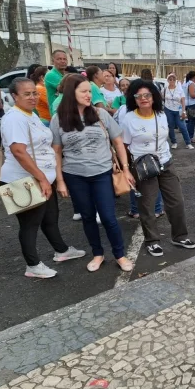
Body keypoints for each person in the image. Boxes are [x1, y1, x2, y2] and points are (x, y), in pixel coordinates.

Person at [0, 77, 85, 278]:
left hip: (42, 178)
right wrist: (42, 179)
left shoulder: (31, 115)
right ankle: (33, 265)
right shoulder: (14, 118)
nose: (33, 97)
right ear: (14, 96)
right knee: (30, 224)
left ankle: (62, 251)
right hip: (25, 181)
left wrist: (49, 177)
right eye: (26, 94)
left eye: (35, 93)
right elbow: (19, 151)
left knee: (50, 218)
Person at [51, 74, 134, 273]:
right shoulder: (59, 119)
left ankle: (120, 255)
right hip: (74, 175)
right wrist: (60, 181)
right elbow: (56, 151)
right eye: (84, 91)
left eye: (90, 91)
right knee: (88, 217)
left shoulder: (100, 114)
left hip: (102, 174)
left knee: (108, 217)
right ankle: (98, 254)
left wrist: (126, 168)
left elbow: (118, 142)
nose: (89, 95)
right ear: (72, 93)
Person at [121, 79, 195, 256]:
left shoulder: (161, 114)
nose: (143, 99)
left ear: (154, 97)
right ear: (134, 99)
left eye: (147, 95)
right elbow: (123, 146)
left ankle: (180, 236)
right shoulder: (128, 119)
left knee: (176, 201)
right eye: (138, 96)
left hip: (166, 163)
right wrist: (126, 169)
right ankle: (152, 241)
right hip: (143, 167)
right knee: (147, 205)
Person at [162, 73, 193, 149]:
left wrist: (183, 111)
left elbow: (183, 100)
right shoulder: (165, 89)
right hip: (168, 109)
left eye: (173, 79)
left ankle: (188, 143)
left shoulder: (179, 89)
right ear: (168, 80)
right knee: (170, 126)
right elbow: (161, 98)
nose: (172, 81)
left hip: (178, 110)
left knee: (182, 126)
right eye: (170, 79)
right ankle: (174, 142)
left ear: (175, 80)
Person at [45, 50, 69, 115]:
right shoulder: (51, 75)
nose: (63, 61)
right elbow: (68, 89)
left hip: (67, 109)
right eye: (59, 59)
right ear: (53, 61)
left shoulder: (64, 74)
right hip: (58, 111)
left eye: (65, 59)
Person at [183, 71, 195, 143]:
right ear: (194, 77)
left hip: (188, 104)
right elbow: (192, 95)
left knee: (190, 121)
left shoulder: (186, 83)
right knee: (192, 122)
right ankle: (189, 137)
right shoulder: (191, 84)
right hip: (192, 104)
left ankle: (188, 137)